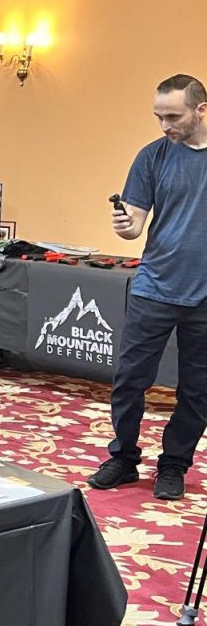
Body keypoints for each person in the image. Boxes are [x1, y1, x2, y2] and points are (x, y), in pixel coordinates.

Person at [88, 74, 207, 502]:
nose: (164, 126)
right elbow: (134, 224)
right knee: (128, 379)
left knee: (198, 390)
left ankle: (174, 464)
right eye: (158, 116)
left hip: (205, 299)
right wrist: (125, 225)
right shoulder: (152, 156)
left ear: (201, 110)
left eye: (172, 116)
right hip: (154, 286)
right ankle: (122, 458)